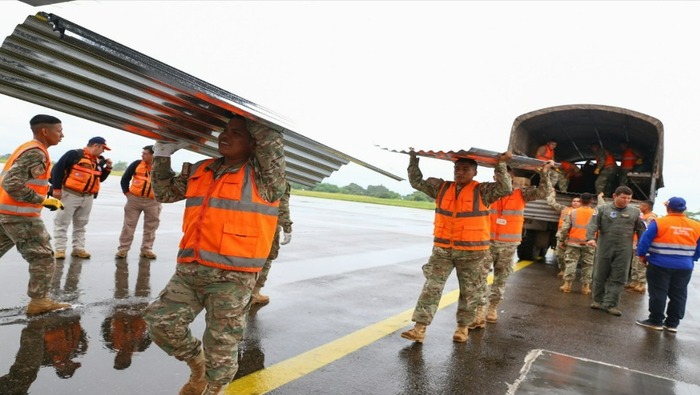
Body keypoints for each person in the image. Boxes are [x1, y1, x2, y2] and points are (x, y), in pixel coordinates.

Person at [143, 114, 286, 395]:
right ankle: (198, 366)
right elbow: (165, 193)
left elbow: (272, 139)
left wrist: (244, 111)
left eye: (237, 133)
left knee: (221, 347)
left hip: (233, 278)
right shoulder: (202, 168)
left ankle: (212, 390)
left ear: (254, 143)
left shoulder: (265, 178)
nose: (226, 135)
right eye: (224, 130)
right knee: (160, 323)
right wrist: (161, 154)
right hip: (190, 270)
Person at [400, 150, 512, 344]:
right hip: (442, 251)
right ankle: (419, 329)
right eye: (457, 169)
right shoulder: (442, 188)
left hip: (473, 253)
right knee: (431, 288)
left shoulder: (483, 191)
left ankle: (462, 328)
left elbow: (505, 189)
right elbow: (416, 182)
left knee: (469, 292)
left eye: (465, 169)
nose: (459, 173)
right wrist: (413, 160)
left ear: (475, 172)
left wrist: (501, 165)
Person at [0, 114, 71, 316]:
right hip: (20, 215)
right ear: (44, 131)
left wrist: (45, 195)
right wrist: (42, 200)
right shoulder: (36, 152)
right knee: (43, 258)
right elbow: (12, 183)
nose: (62, 135)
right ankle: (39, 301)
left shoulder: (27, 148)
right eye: (59, 131)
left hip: (5, 211)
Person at [470, 162, 552, 329]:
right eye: (498, 175)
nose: (501, 178)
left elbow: (544, 191)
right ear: (494, 177)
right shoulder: (487, 192)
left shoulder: (521, 194)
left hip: (508, 244)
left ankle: (492, 308)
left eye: (505, 176)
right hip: (486, 241)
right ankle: (479, 311)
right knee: (479, 278)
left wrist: (544, 174)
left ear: (512, 177)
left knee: (501, 278)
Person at [635, 197, 700, 332]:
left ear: (668, 208)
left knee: (659, 292)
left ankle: (656, 320)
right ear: (684, 209)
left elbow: (645, 241)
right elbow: (698, 247)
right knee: (679, 294)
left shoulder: (659, 223)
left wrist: (642, 256)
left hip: (660, 264)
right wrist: (692, 259)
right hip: (684, 266)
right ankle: (672, 324)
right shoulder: (696, 225)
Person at [586, 186, 646, 316]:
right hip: (605, 246)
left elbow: (641, 230)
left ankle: (611, 304)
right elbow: (592, 224)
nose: (626, 200)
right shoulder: (602, 209)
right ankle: (597, 300)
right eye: (623, 197)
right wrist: (590, 238)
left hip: (624, 248)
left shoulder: (635, 212)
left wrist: (642, 247)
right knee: (600, 274)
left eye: (629, 198)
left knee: (619, 277)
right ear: (615, 196)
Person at [51, 136, 113, 259]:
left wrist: (108, 168)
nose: (103, 152)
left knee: (81, 224)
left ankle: (78, 249)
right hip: (70, 194)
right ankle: (60, 249)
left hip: (88, 197)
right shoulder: (74, 154)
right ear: (96, 146)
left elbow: (99, 179)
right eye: (102, 149)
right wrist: (56, 188)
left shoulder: (97, 161)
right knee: (62, 222)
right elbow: (57, 170)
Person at [115, 145, 162, 259]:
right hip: (134, 200)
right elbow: (125, 178)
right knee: (128, 225)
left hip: (153, 202)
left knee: (151, 227)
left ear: (153, 155)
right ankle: (123, 249)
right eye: (143, 153)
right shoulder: (136, 164)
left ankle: (147, 249)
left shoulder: (162, 168)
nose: (142, 155)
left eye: (145, 153)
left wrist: (160, 198)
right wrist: (127, 194)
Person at [251, 182, 293, 305]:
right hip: (267, 225)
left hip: (245, 222)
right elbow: (282, 206)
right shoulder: (279, 179)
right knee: (267, 258)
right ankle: (255, 293)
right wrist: (287, 227)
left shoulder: (247, 173)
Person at [557, 193, 596, 294]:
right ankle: (586, 288)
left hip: (573, 243)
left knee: (571, 263)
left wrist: (562, 240)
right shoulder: (595, 213)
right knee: (588, 265)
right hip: (589, 243)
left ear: (581, 201)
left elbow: (565, 228)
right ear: (591, 201)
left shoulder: (573, 212)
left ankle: (567, 285)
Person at [625, 200, 657, 294]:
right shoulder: (643, 216)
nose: (640, 207)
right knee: (635, 264)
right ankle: (635, 282)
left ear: (646, 207)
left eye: (641, 205)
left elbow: (648, 233)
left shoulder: (651, 217)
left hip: (642, 244)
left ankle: (641, 284)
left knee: (641, 265)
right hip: (637, 243)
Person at [547, 192, 582, 278]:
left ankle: (569, 273)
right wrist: (552, 193)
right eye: (574, 201)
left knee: (571, 256)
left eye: (578, 201)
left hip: (574, 237)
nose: (575, 202)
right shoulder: (565, 209)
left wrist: (600, 198)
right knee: (559, 254)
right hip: (562, 235)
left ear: (581, 203)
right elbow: (551, 203)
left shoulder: (584, 211)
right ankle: (562, 269)